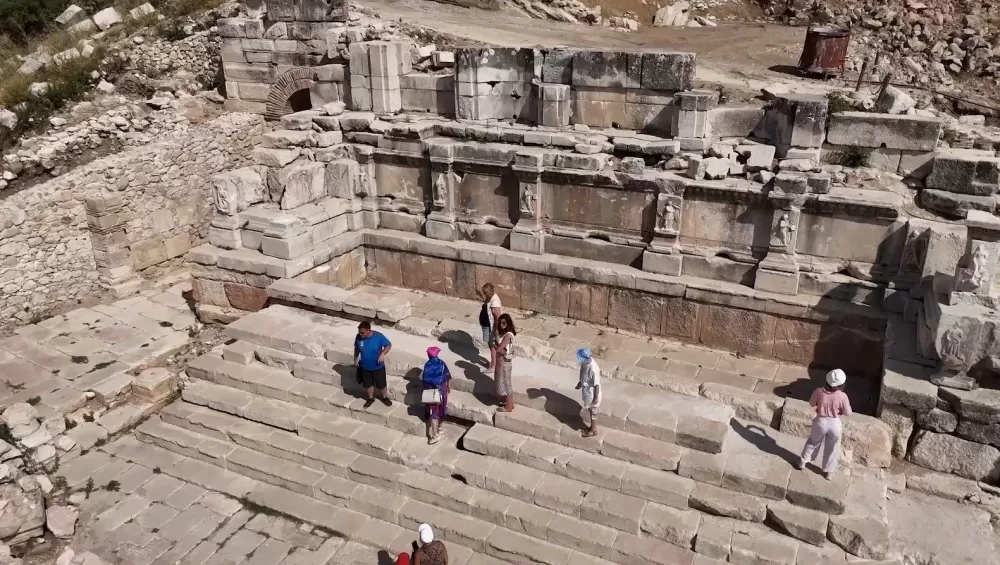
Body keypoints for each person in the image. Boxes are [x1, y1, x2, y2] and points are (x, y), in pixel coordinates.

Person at [796, 368, 852, 479]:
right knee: (832, 447)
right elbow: (848, 412)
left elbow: (812, 403)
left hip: (820, 421)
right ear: (842, 384)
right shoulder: (842, 396)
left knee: (812, 441)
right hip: (834, 423)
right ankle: (829, 472)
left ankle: (803, 462)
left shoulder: (819, 391)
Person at [354, 321, 392, 409]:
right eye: (359, 332)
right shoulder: (358, 337)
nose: (360, 334)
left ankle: (384, 397)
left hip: (378, 366)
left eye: (362, 332)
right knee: (367, 384)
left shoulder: (378, 336)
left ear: (368, 330)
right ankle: (371, 398)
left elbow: (388, 345)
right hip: (364, 366)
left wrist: (382, 354)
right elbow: (356, 349)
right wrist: (355, 359)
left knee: (381, 384)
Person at [422, 346, 451, 445]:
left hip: (432, 392)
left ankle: (435, 436)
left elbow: (425, 380)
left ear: (429, 355)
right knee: (442, 409)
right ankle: (440, 428)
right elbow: (447, 376)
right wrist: (447, 387)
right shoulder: (442, 363)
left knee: (433, 413)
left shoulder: (427, 365)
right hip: (442, 390)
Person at [575, 348, 602, 438]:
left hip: (592, 393)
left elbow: (596, 384)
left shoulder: (593, 368)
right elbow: (583, 374)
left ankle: (594, 430)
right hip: (586, 391)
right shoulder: (584, 363)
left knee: (593, 411)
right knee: (590, 410)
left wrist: (596, 398)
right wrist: (580, 383)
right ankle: (592, 427)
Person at [494, 314, 516, 413]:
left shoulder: (507, 336)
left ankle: (508, 407)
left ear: (508, 323)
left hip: (504, 363)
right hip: (505, 362)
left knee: (507, 384)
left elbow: (498, 350)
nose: (502, 325)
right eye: (501, 323)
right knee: (508, 383)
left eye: (504, 323)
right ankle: (510, 403)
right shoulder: (509, 334)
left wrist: (493, 344)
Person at [479, 283, 503, 370]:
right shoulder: (491, 298)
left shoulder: (494, 303)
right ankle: (494, 362)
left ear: (489, 293)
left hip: (492, 328)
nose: (484, 295)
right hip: (488, 325)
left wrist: (495, 330)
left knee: (492, 346)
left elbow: (498, 318)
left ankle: (494, 365)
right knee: (491, 345)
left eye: (485, 293)